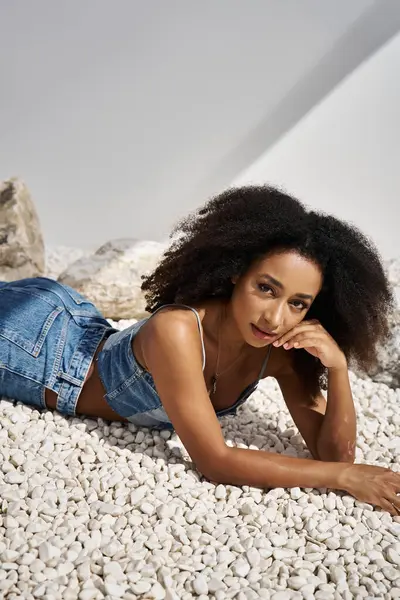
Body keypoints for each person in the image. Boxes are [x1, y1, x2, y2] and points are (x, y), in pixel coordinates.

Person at [1, 185, 399, 516]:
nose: (276, 318)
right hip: (36, 346)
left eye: (297, 303)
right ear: (235, 272)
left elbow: (336, 454)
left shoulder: (279, 351)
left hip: (80, 323)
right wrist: (345, 480)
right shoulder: (175, 330)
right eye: (266, 288)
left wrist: (340, 369)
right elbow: (215, 462)